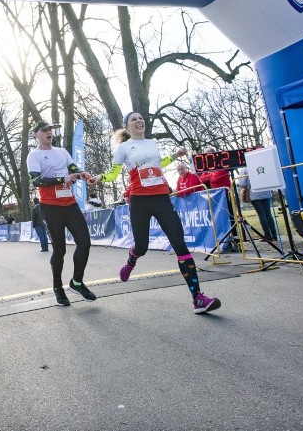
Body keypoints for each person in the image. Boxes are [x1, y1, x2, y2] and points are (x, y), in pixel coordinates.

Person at [88, 111, 221, 314]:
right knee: (142, 246)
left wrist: (175, 156)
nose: (139, 121)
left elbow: (159, 163)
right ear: (127, 127)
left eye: (141, 118)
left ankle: (198, 298)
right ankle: (131, 259)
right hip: (139, 200)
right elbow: (114, 173)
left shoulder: (152, 143)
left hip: (161, 198)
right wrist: (100, 178)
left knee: (180, 244)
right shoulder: (123, 148)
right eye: (134, 119)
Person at [27, 120, 96, 306]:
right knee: (60, 249)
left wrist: (83, 175)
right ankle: (58, 288)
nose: (49, 132)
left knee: (85, 243)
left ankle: (76, 282)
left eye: (50, 129)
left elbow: (74, 168)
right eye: (44, 130)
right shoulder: (34, 155)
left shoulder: (61, 152)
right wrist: (62, 178)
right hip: (50, 207)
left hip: (70, 204)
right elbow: (36, 181)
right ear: (36, 134)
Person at [241, 169, 278, 242]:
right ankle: (274, 235)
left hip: (255, 194)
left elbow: (242, 184)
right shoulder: (261, 163)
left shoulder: (245, 169)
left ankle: (267, 236)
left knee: (262, 215)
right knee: (268, 215)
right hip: (266, 192)